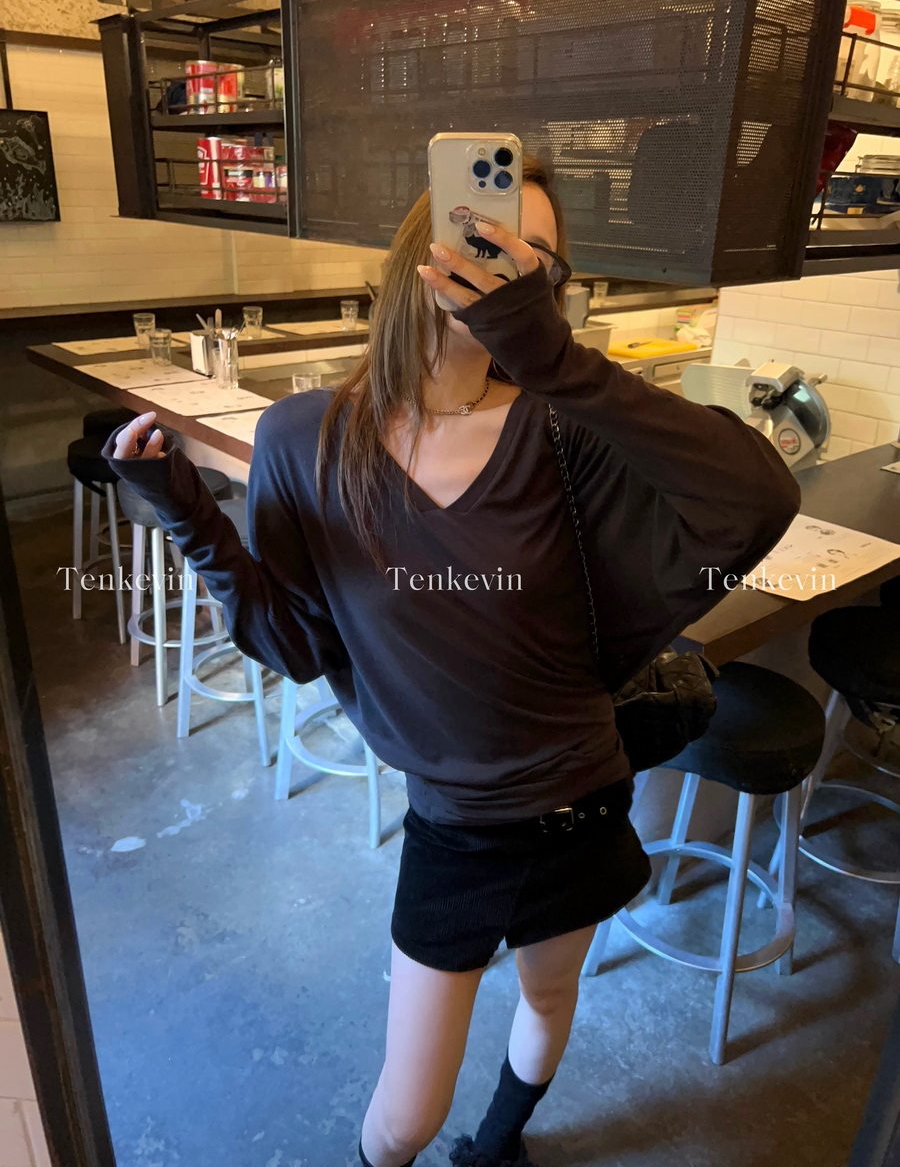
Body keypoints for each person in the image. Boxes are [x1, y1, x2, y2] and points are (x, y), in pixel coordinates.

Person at [102, 154, 801, 1167]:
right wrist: (189, 516)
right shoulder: (309, 439)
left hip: (584, 797)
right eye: (485, 239)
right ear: (421, 255)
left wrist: (555, 360)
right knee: (403, 1121)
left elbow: (757, 500)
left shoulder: (561, 431)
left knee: (549, 1001)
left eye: (535, 262)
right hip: (457, 832)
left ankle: (500, 1148)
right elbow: (292, 643)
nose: (506, 269)